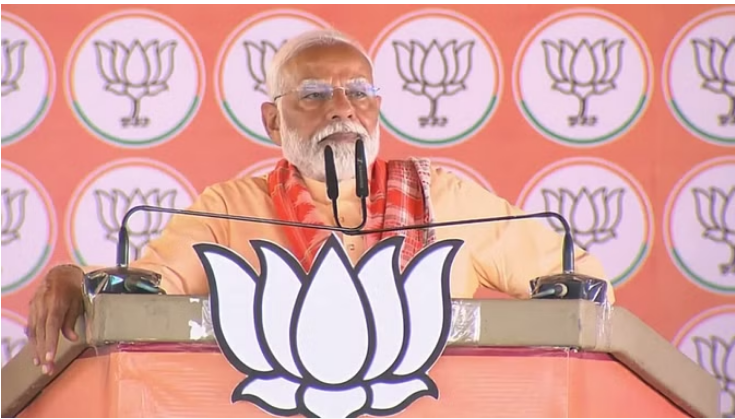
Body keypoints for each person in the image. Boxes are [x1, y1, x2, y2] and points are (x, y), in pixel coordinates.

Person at [26, 29, 614, 375]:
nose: (341, 109)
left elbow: (581, 283)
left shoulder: (446, 200)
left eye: (359, 92)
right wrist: (78, 279)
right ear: (271, 120)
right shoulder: (229, 210)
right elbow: (144, 289)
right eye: (312, 95)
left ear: (377, 108)